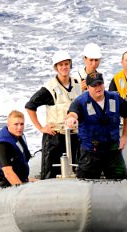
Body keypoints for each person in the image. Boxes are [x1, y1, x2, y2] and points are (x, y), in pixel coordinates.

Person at [25, 50, 82, 179]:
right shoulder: (49, 88)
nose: (64, 67)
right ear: (56, 68)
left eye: (66, 64)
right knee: (51, 173)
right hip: (55, 137)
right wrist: (41, 128)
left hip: (74, 136)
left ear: (70, 65)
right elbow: (30, 106)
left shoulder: (77, 84)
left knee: (76, 170)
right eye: (60, 65)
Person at [65, 72, 127, 179]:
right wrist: (71, 119)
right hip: (91, 153)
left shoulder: (114, 98)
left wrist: (125, 136)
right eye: (94, 85)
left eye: (100, 84)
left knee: (122, 184)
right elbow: (73, 113)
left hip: (113, 151)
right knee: (85, 185)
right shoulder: (80, 102)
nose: (98, 88)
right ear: (87, 87)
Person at [0, 110, 32, 189]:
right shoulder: (2, 145)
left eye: (22, 124)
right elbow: (8, 173)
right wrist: (22, 191)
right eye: (16, 124)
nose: (19, 127)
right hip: (5, 184)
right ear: (8, 125)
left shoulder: (19, 136)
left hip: (20, 178)